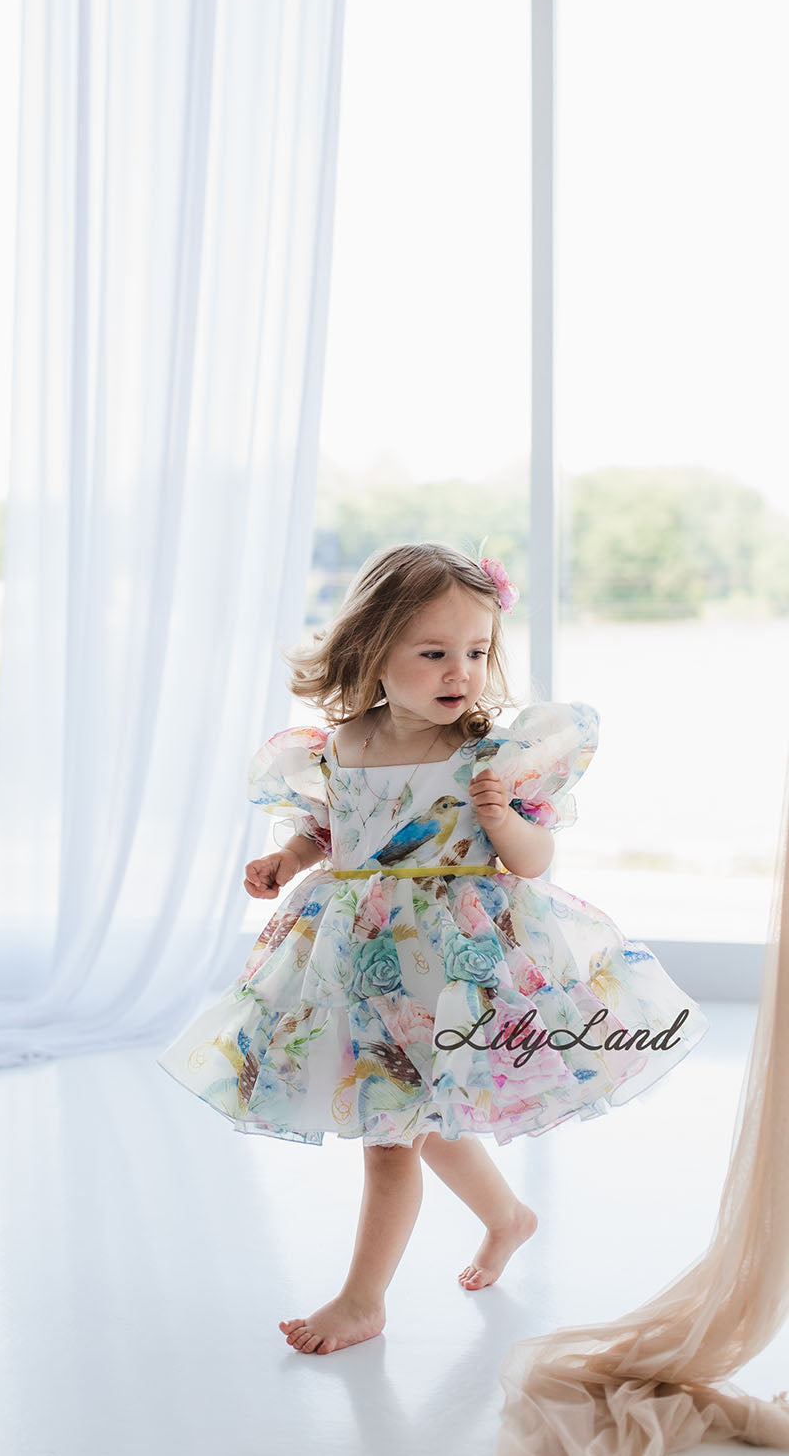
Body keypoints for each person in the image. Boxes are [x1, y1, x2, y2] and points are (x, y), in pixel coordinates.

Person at [156, 540, 709, 1356]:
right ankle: (509, 1218)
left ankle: (362, 1300)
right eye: (435, 653)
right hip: (357, 960)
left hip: (454, 965)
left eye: (478, 652)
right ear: (372, 651)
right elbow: (331, 829)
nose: (462, 672)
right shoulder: (339, 746)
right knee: (423, 1117)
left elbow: (532, 863)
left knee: (392, 1139)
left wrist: (498, 817)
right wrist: (287, 861)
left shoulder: (486, 757)